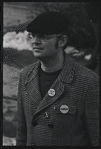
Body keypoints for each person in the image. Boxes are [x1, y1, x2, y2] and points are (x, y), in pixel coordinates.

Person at [16, 11, 99, 146]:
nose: (35, 41)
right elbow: (21, 135)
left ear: (62, 41)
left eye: (43, 36)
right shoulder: (25, 76)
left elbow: (97, 139)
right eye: (32, 36)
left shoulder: (88, 82)